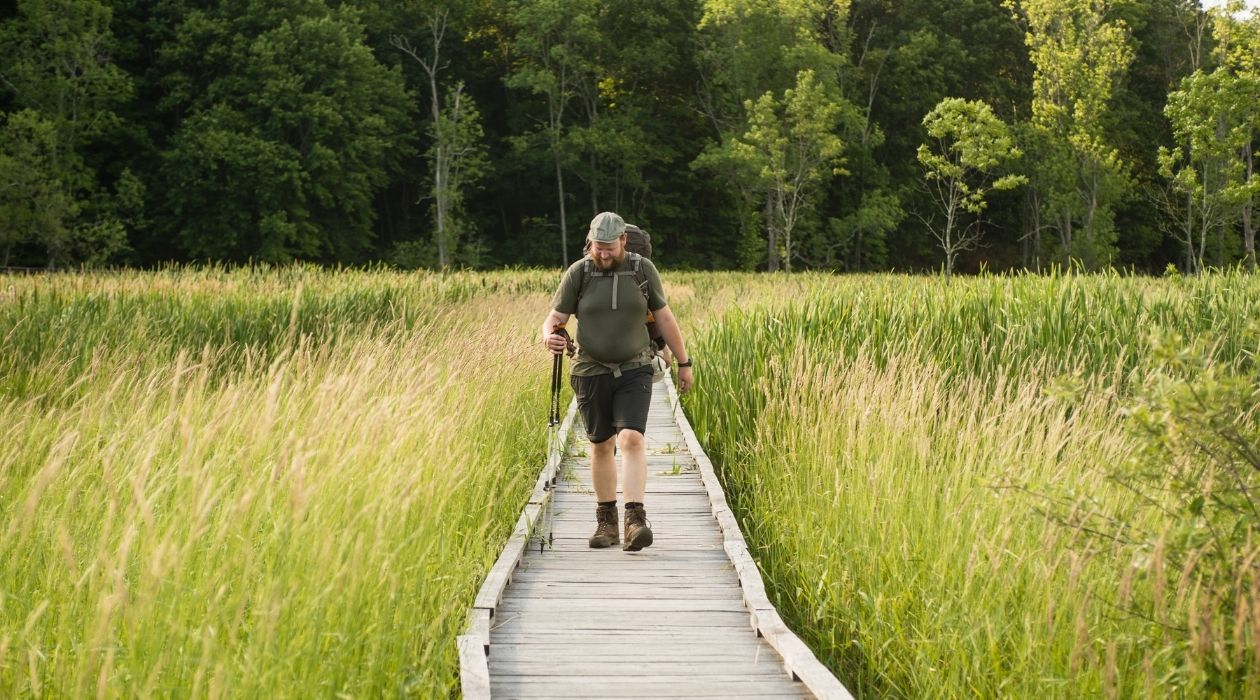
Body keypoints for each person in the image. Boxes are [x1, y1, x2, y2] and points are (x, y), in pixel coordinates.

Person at [541, 211, 694, 552]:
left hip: (635, 367)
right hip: (590, 369)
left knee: (631, 439)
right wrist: (548, 337)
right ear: (590, 242)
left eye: (609, 247)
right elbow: (555, 318)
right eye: (598, 247)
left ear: (623, 240)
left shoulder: (642, 269)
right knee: (600, 444)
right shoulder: (578, 273)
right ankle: (606, 522)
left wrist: (684, 362)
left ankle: (635, 520)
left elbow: (665, 316)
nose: (604, 254)